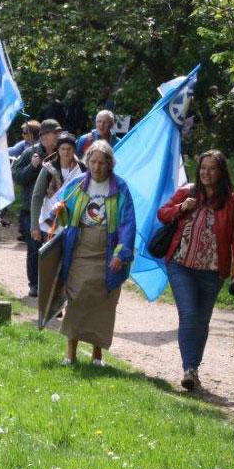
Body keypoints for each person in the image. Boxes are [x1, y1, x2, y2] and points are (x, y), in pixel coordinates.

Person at [157, 150, 234, 390]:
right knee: (189, 315)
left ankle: (193, 368)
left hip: (212, 271)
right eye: (203, 168)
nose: (206, 173)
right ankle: (189, 369)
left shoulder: (232, 202)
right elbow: (162, 213)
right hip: (180, 265)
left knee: (202, 320)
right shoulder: (187, 191)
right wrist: (181, 208)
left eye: (212, 168)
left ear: (221, 172)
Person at [54, 140, 135, 366]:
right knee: (77, 297)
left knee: (103, 301)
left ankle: (97, 354)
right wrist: (60, 211)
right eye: (93, 161)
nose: (97, 167)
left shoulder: (120, 188)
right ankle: (70, 353)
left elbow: (128, 224)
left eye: (101, 163)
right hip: (80, 249)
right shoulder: (78, 184)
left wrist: (121, 254)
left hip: (108, 252)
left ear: (110, 164)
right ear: (87, 162)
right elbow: (62, 217)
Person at [11, 118, 61, 296]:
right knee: (34, 247)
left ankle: (48, 284)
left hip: (53, 211)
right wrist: (32, 167)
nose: (57, 136)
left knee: (50, 249)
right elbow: (16, 176)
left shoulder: (62, 153)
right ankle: (34, 284)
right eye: (54, 133)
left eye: (58, 133)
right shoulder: (30, 153)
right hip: (29, 209)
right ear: (44, 136)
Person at [30, 132, 86, 241]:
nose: (66, 152)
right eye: (63, 149)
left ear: (74, 149)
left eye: (69, 149)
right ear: (58, 150)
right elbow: (37, 197)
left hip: (73, 224)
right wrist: (34, 226)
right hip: (49, 223)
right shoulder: (48, 169)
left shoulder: (83, 169)